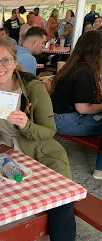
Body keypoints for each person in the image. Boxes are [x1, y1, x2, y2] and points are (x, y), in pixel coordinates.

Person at [0, 39, 76, 241]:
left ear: (15, 62)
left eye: (5, 60)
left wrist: (26, 124)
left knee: (61, 203)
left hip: (42, 153)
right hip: (4, 155)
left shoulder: (33, 87)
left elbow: (50, 131)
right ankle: (19, 240)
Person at [51, 30, 102, 180]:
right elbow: (83, 108)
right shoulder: (84, 72)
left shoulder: (72, 66)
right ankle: (100, 170)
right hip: (67, 121)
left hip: (55, 117)